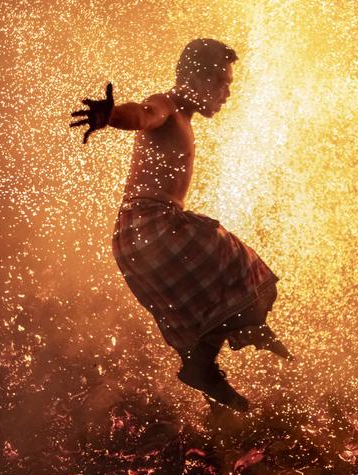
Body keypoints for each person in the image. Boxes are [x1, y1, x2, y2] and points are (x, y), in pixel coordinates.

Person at [70, 38, 291, 411]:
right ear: (195, 79)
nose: (227, 93)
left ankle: (204, 364)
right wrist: (111, 116)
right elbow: (142, 113)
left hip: (134, 239)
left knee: (212, 291)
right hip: (150, 226)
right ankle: (243, 325)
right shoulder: (168, 107)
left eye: (230, 84)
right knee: (237, 259)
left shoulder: (183, 119)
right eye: (221, 82)